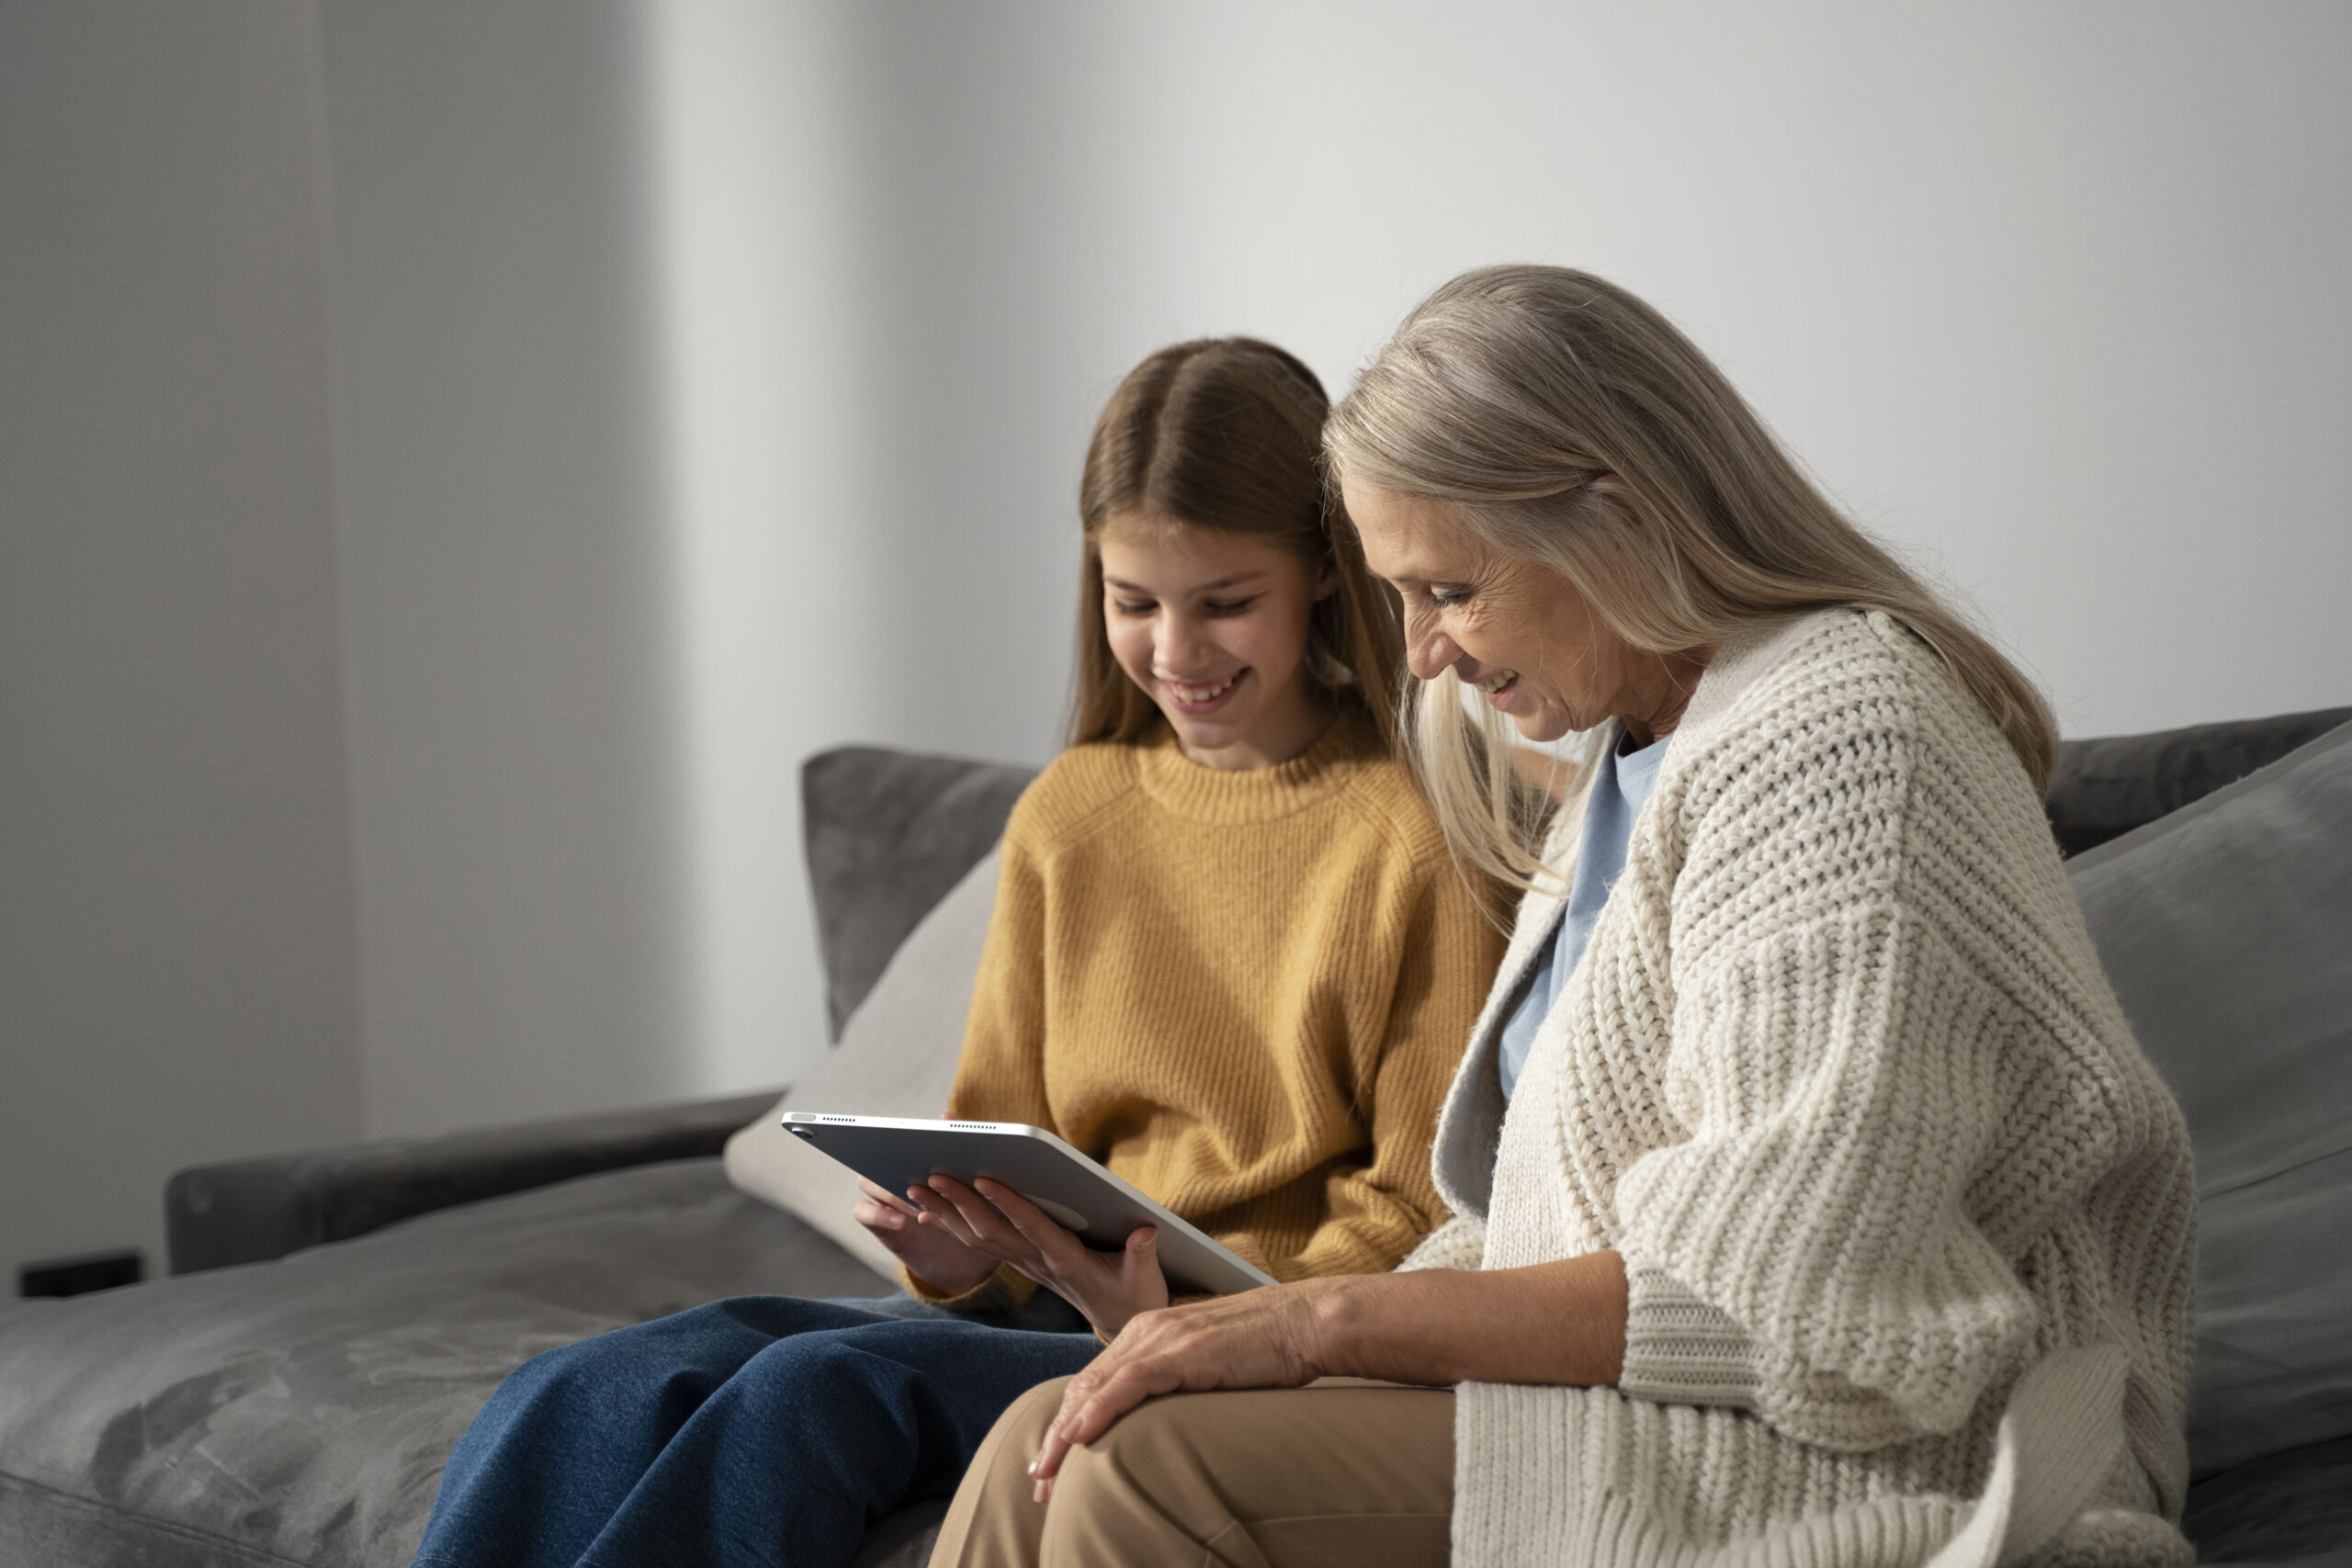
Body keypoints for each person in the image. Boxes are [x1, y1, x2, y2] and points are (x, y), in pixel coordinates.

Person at [930, 268, 2199, 1568]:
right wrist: (1228, 1327)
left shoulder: (1842, 741)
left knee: (1134, 1472)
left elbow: (1789, 1299)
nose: (1419, 651)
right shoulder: (1631, 751)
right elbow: (1546, 1219)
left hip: (1861, 1438)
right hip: (1624, 1394)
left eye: (1448, 591)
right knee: (1044, 1439)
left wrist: (1322, 1330)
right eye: (1400, 595)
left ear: (1615, 516)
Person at [407, 337, 1505, 1568]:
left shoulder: (1412, 833)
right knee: (593, 1385)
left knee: (812, 1394)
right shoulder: (1070, 814)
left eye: (1225, 604)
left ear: (1319, 571)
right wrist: (954, 1251)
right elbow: (1001, 1133)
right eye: (1133, 602)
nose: (1178, 656)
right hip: (1054, 1307)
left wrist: (1191, 1311)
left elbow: (1425, 1211)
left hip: (1243, 1336)